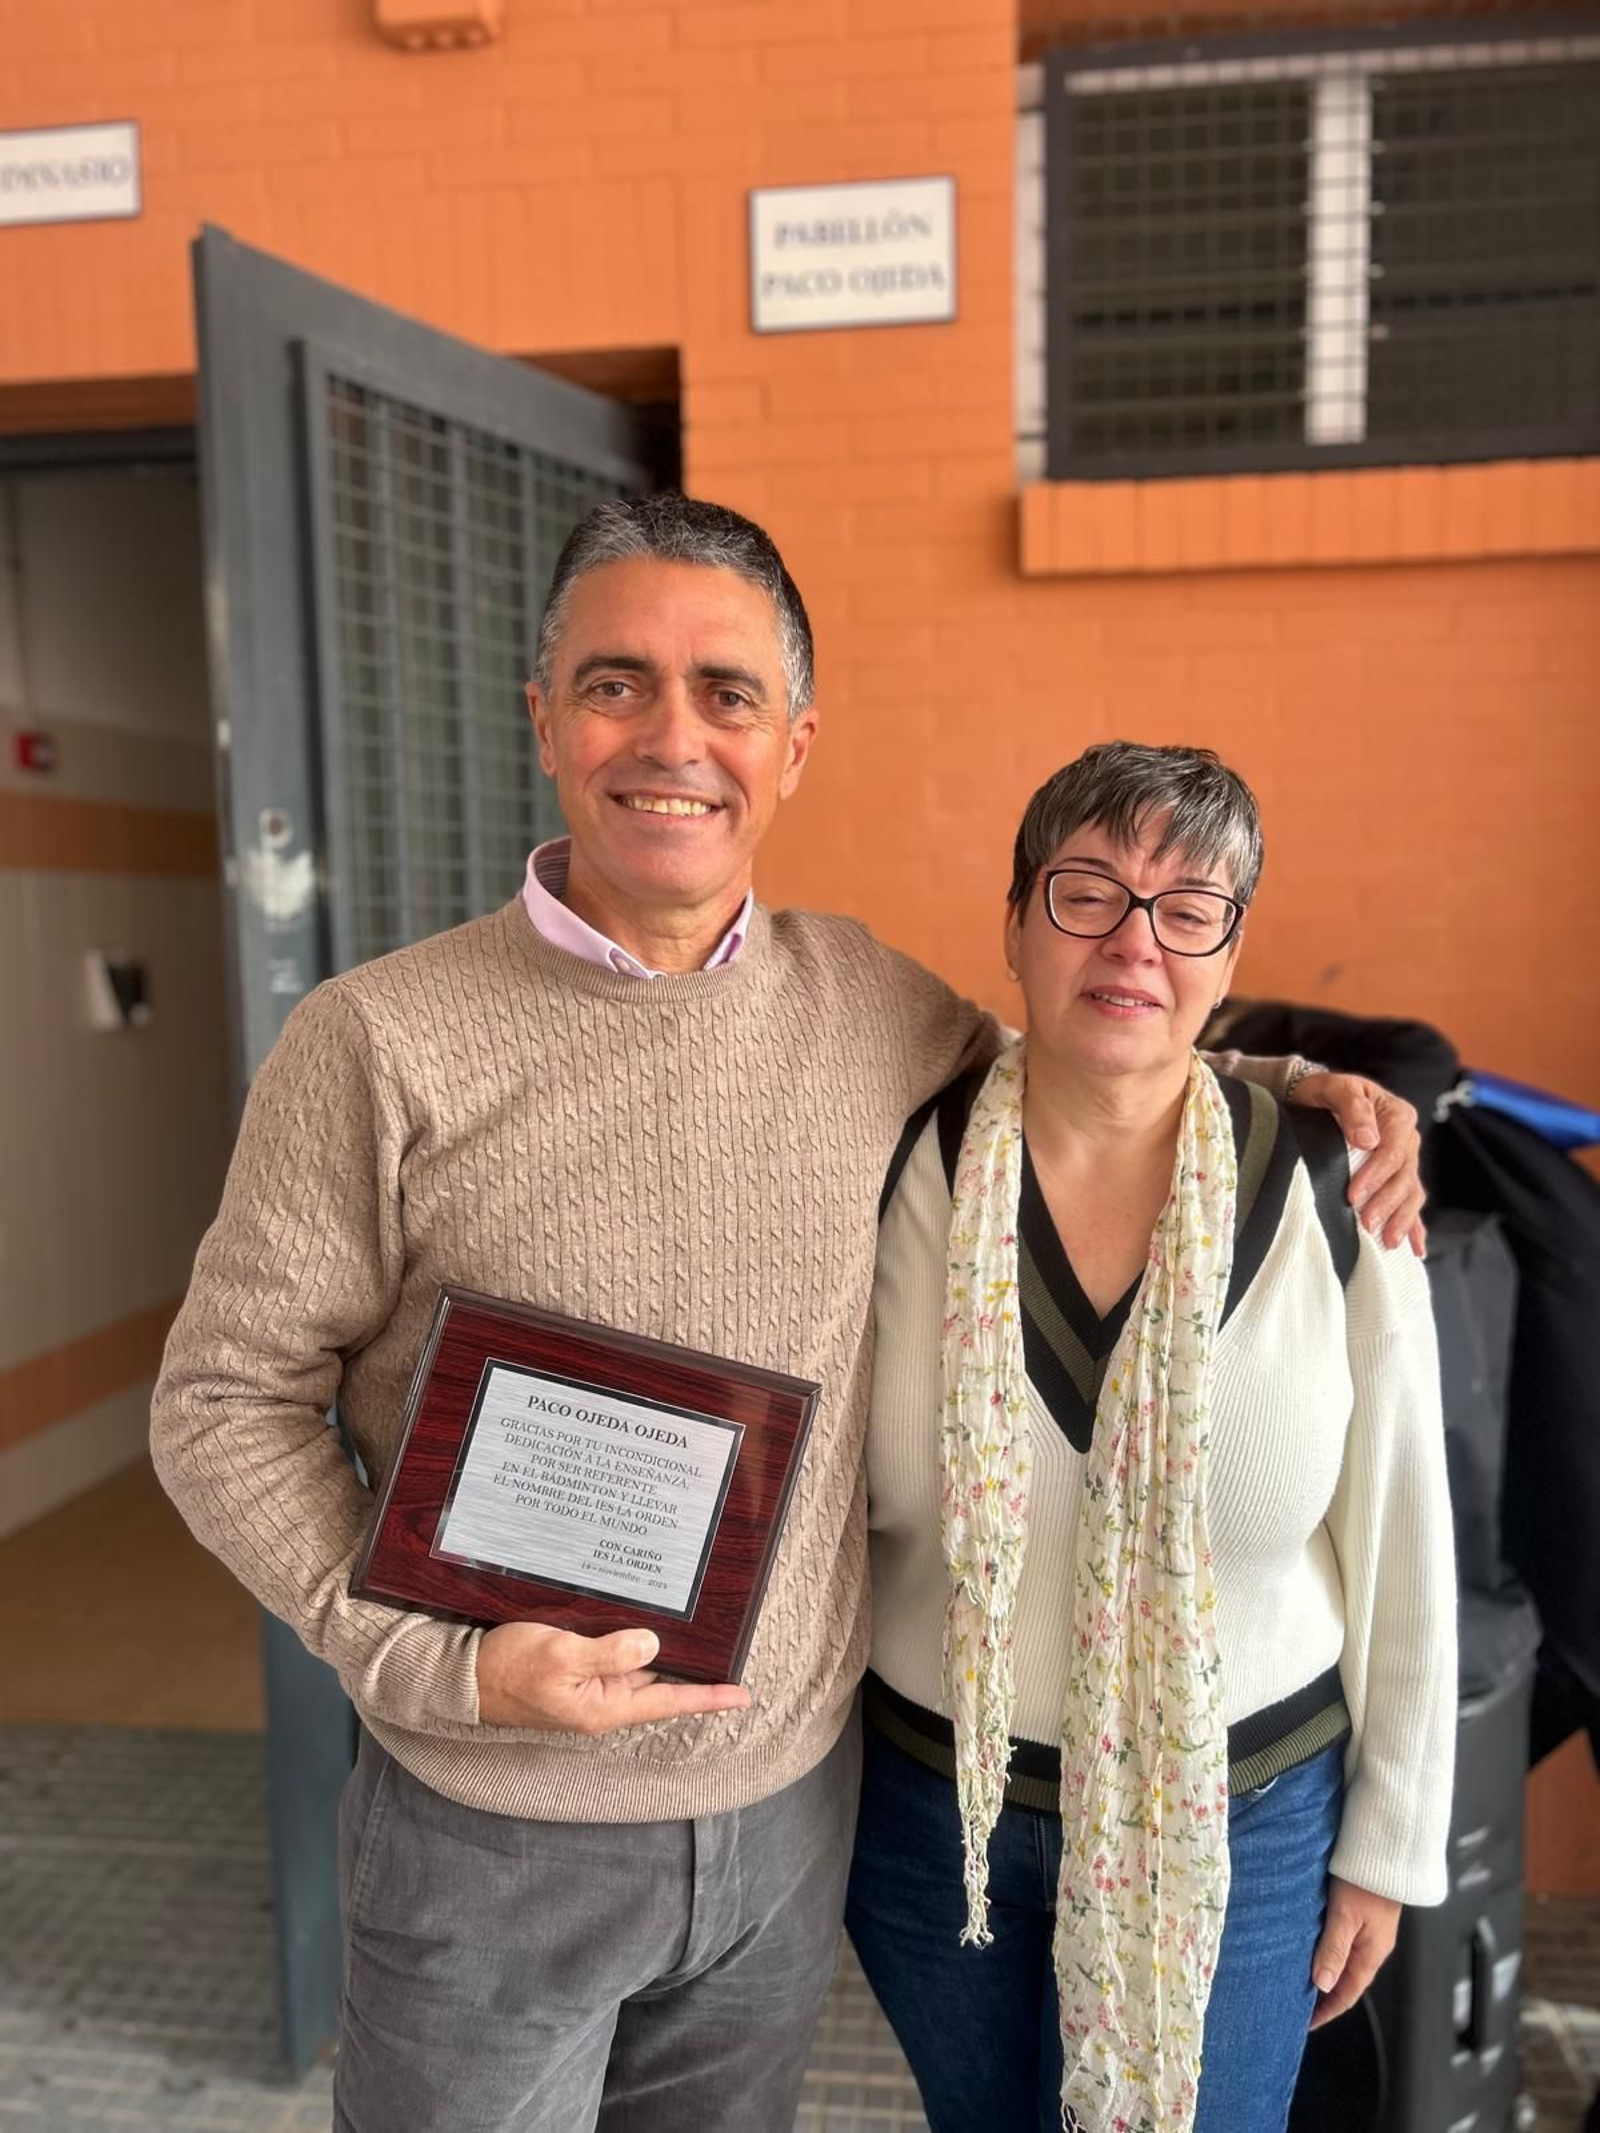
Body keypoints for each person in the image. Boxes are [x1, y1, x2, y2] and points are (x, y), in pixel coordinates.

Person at [150, 499, 1426, 2133]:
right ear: (544, 717)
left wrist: (1305, 1092)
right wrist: (425, 1660)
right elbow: (219, 1403)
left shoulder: (871, 1007)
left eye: (727, 694)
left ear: (795, 744)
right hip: (487, 1826)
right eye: (616, 684)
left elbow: (1093, 1067)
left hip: (783, 1835)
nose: (672, 737)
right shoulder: (377, 1041)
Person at [847, 742, 1457, 2133]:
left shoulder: (1333, 1188)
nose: (1136, 939)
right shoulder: (900, 1167)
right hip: (938, 1827)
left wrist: (1387, 1851)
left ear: (1229, 947)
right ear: (1013, 920)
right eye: (1089, 892)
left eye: (1190, 907)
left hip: (1241, 1824)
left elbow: (1407, 1541)